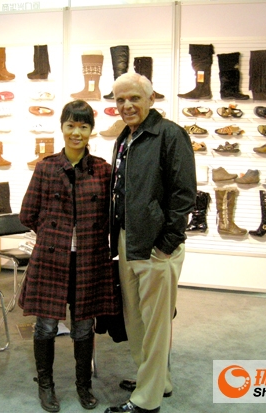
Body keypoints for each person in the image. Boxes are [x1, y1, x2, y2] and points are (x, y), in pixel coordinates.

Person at [19, 100, 120, 412]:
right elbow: (27, 213)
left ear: (91, 130)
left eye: (83, 126)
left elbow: (111, 216)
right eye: (71, 125)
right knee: (46, 326)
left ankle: (83, 385)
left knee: (83, 327)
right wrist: (55, 234)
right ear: (62, 127)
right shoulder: (46, 168)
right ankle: (46, 384)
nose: (77, 132)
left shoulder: (103, 170)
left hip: (89, 259)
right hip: (52, 259)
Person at [105, 73, 197, 413]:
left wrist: (167, 243)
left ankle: (146, 400)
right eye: (120, 100)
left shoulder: (170, 134)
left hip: (156, 244)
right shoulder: (125, 137)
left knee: (156, 324)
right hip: (128, 238)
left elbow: (184, 193)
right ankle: (156, 379)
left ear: (151, 99)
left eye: (134, 98)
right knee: (135, 319)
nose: (126, 106)